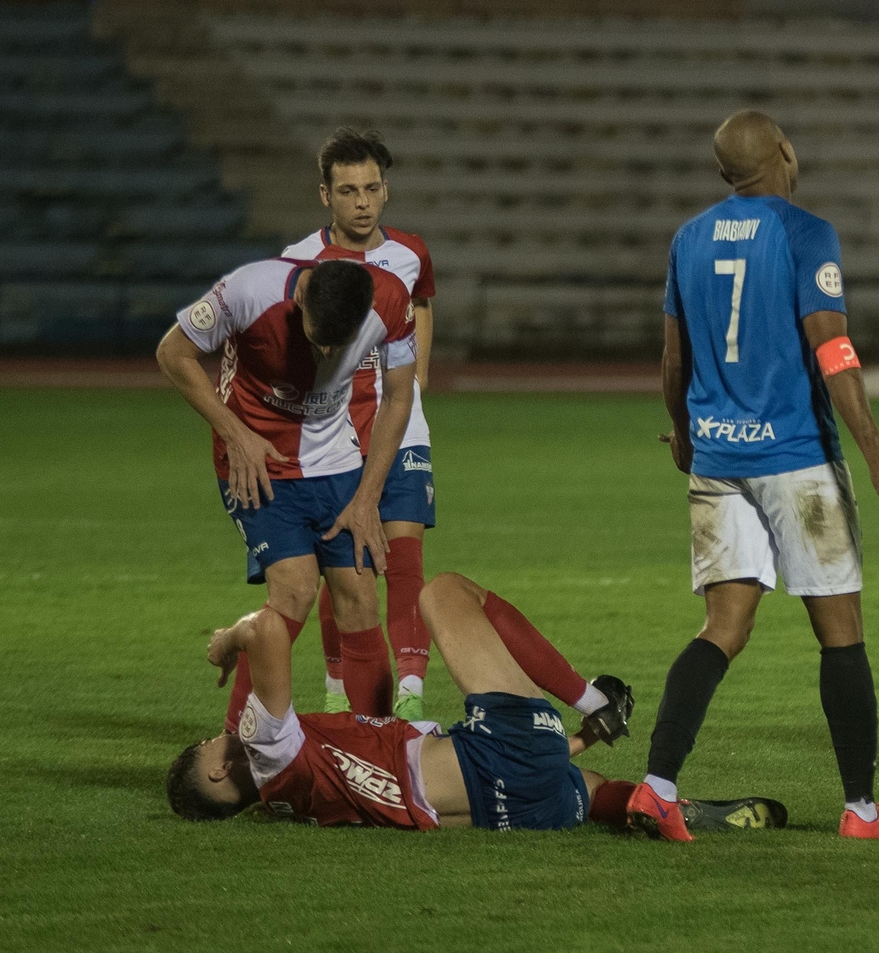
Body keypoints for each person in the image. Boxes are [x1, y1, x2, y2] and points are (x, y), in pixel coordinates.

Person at [629, 109, 879, 841]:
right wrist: (877, 452)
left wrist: (685, 434)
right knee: (841, 631)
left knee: (722, 627)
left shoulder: (688, 239)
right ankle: (860, 811)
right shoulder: (804, 233)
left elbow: (674, 360)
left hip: (719, 460)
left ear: (723, 172)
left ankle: (658, 787)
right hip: (797, 463)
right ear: (784, 154)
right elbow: (833, 351)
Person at [168, 573, 785, 834]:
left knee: (583, 782)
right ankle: (593, 696)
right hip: (497, 758)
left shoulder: (285, 802)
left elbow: (471, 779)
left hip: (505, 805)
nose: (213, 739)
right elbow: (270, 630)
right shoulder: (266, 750)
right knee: (443, 593)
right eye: (205, 748)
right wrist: (229, 640)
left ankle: (658, 804)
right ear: (218, 769)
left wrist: (577, 741)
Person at [155, 255, 414, 729]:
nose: (330, 356)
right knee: (293, 593)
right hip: (257, 462)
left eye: (344, 345)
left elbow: (399, 398)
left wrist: (366, 500)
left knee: (359, 597)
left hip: (336, 463)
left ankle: (380, 752)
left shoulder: (392, 299)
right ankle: (239, 748)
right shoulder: (248, 291)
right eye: (321, 341)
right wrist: (234, 434)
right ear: (299, 300)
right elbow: (173, 354)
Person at [282, 128, 438, 722]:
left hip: (402, 426)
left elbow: (421, 304)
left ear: (386, 189)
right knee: (347, 563)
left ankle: (412, 694)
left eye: (372, 188)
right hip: (334, 437)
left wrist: (417, 376)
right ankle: (338, 687)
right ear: (325, 195)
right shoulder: (301, 261)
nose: (363, 202)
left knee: (403, 556)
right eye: (348, 191)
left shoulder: (411, 251)